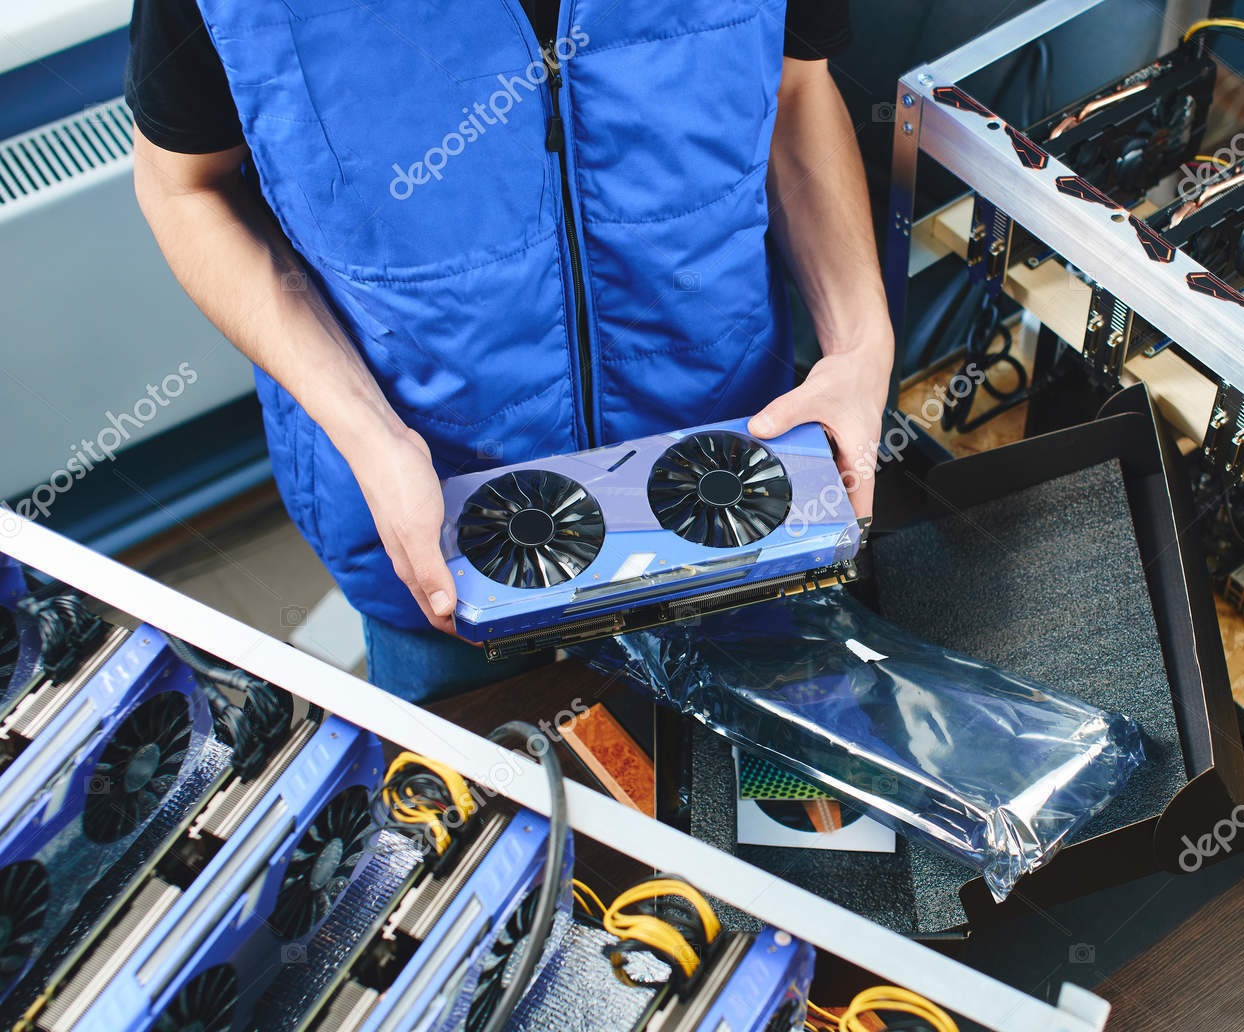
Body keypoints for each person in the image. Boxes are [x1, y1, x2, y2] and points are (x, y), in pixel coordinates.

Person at [126, 0, 892, 701]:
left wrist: (861, 340)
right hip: (437, 506)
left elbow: (794, 89)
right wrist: (372, 436)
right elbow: (185, 187)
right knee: (479, 802)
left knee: (744, 806)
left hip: (726, 466)